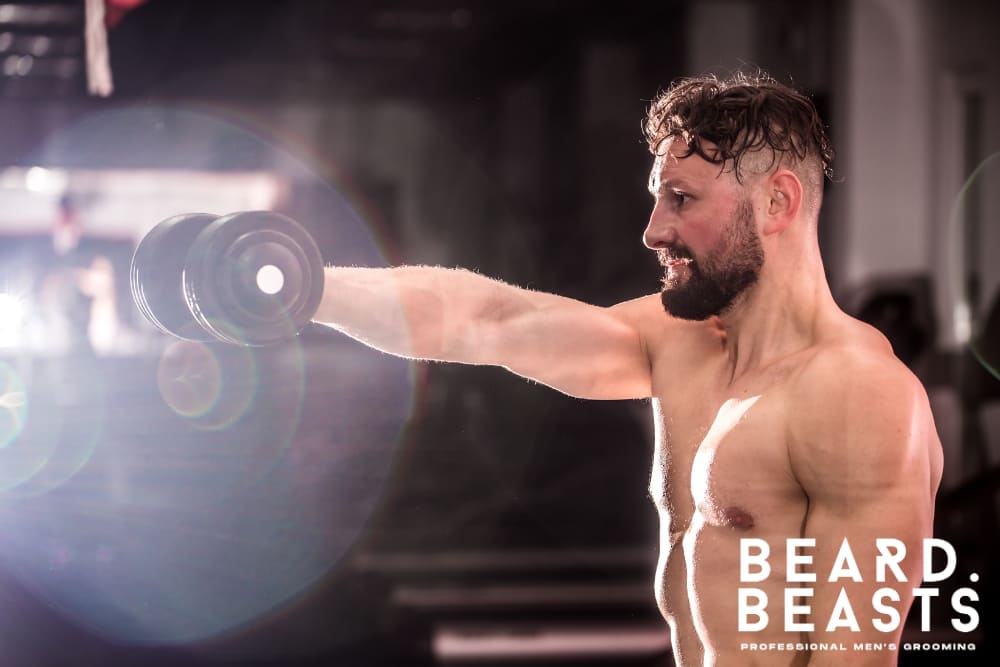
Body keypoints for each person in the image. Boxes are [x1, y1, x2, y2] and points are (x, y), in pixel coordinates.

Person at [312, 71, 943, 666]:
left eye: (681, 199)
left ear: (777, 201)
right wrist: (302, 290)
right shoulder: (677, 344)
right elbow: (491, 319)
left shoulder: (860, 396)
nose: (652, 231)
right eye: (657, 198)